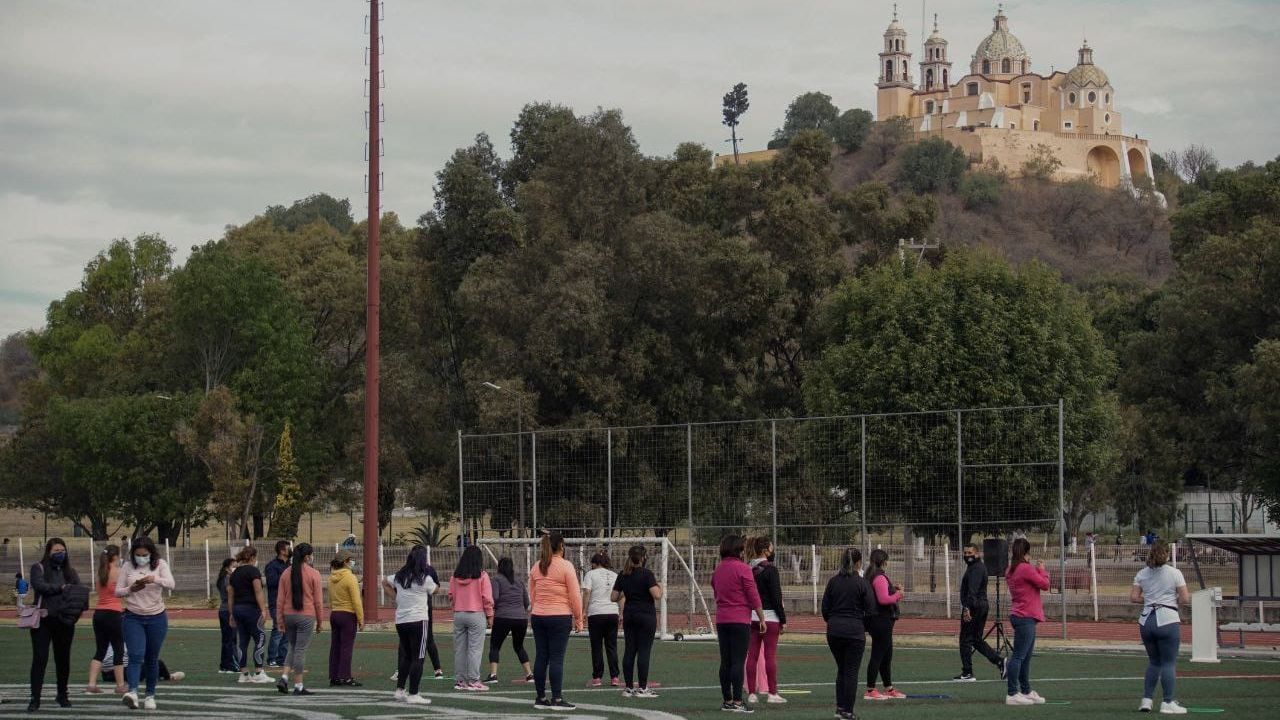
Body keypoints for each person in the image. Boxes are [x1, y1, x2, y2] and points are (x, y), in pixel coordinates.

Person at [115, 536, 176, 711]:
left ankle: (150, 695)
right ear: (133, 554)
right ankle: (132, 692)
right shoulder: (127, 566)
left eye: (145, 554)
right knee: (135, 654)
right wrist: (131, 589)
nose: (141, 557)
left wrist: (154, 579)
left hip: (156, 617)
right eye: (138, 554)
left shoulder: (160, 564)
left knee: (152, 658)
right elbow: (118, 591)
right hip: (133, 616)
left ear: (151, 553)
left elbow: (171, 584)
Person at [1131, 540, 1190, 714]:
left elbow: (1134, 597)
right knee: (1168, 662)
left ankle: (1146, 700)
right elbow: (1185, 598)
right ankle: (1167, 702)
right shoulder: (1175, 573)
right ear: (1167, 554)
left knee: (1153, 661)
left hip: (1146, 620)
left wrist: (1151, 600)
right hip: (1168, 619)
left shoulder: (1142, 573)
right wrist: (1168, 600)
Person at [528, 532, 583, 711]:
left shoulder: (537, 566)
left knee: (541, 656)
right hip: (559, 616)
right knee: (557, 659)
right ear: (561, 546)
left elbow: (532, 594)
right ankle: (557, 699)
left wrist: (537, 610)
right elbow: (575, 595)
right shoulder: (566, 566)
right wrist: (579, 618)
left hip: (538, 616)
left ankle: (540, 697)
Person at [710, 534, 765, 714]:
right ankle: (738, 701)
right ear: (739, 550)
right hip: (740, 619)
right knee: (738, 661)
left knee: (725, 661)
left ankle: (727, 700)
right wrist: (761, 617)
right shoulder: (743, 569)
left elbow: (715, 588)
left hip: (722, 619)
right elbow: (753, 594)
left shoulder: (718, 569)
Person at [28, 537, 84, 711]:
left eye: (62, 551)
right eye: (56, 551)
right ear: (48, 552)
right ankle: (35, 697)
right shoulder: (38, 568)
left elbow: (78, 592)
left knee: (63, 659)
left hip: (64, 621)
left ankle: (62, 694)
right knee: (40, 658)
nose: (60, 554)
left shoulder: (71, 572)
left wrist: (74, 613)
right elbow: (39, 586)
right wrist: (59, 588)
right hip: (43, 620)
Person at [823, 548, 876, 720]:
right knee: (851, 672)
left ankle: (840, 707)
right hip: (854, 631)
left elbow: (825, 609)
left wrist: (833, 622)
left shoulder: (832, 582)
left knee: (842, 670)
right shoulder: (862, 584)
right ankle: (848, 710)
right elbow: (870, 610)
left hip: (834, 631)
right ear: (859, 563)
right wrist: (863, 626)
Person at [382, 545, 437, 705]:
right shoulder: (424, 578)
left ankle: (399, 690)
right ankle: (413, 693)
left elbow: (384, 581)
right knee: (418, 657)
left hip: (401, 620)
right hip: (419, 620)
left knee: (406, 655)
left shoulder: (400, 576)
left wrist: (397, 598)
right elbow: (434, 590)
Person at [611, 544, 662, 698]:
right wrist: (661, 587)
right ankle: (643, 688)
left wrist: (626, 591)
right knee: (644, 651)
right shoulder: (647, 574)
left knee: (629, 650)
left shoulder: (623, 574)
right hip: (646, 616)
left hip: (629, 615)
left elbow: (613, 597)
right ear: (643, 558)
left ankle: (628, 687)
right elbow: (657, 595)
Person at [1004, 537, 1050, 706]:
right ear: (1026, 553)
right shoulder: (1025, 569)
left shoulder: (1010, 569)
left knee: (1025, 657)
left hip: (1020, 615)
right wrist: (1042, 570)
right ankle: (1012, 693)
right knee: (1018, 657)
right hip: (1026, 617)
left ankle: (1025, 690)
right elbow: (1044, 584)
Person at [276, 542, 324, 697]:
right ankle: (298, 684)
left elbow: (280, 599)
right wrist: (320, 620)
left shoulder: (285, 573)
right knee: (300, 650)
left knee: (293, 646)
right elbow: (318, 600)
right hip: (306, 615)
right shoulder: (313, 573)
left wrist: (279, 619)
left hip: (288, 614)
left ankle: (284, 676)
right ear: (307, 556)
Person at [953, 543, 1005, 682]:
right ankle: (1000, 662)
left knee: (965, 639)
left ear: (977, 554)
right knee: (975, 640)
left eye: (970, 553)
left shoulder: (976, 568)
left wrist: (967, 608)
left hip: (975, 606)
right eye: (965, 553)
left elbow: (973, 590)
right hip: (980, 605)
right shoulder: (975, 567)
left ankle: (967, 672)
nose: (967, 555)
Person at [745, 536, 787, 705]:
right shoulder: (771, 570)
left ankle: (751, 693)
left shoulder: (747, 568)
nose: (772, 551)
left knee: (752, 656)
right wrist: (783, 619)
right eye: (771, 548)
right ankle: (772, 693)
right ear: (765, 551)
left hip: (752, 617)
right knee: (769, 656)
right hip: (770, 618)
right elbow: (777, 598)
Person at [449, 545, 494, 691]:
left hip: (459, 613)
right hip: (476, 614)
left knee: (459, 649)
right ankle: (474, 680)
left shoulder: (455, 576)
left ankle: (460, 680)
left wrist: (455, 609)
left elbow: (451, 595)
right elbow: (486, 598)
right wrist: (490, 615)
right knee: (475, 650)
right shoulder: (482, 575)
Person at [227, 546, 273, 685]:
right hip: (251, 610)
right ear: (253, 557)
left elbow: (230, 595)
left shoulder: (234, 573)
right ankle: (259, 672)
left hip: (237, 609)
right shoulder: (253, 571)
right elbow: (258, 591)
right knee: (259, 639)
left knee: (243, 642)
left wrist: (231, 614)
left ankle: (244, 673)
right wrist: (264, 609)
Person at [863, 549, 904, 701]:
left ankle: (888, 688)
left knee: (886, 655)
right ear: (884, 561)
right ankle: (870, 689)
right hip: (881, 620)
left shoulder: (870, 575)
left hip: (879, 620)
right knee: (878, 655)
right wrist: (898, 595)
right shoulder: (879, 576)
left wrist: (893, 589)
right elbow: (883, 599)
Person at [86, 545, 127, 695]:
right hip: (113, 613)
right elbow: (125, 591)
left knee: (100, 650)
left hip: (99, 613)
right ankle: (120, 685)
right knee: (118, 648)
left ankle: (91, 684)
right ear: (116, 556)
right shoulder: (118, 572)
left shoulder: (101, 572)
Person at [487, 556, 533, 684]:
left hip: (503, 616)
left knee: (495, 645)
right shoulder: (519, 581)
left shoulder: (496, 579)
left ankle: (493, 675)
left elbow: (494, 598)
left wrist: (494, 609)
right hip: (520, 618)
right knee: (519, 646)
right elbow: (526, 602)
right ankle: (529, 674)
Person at [582, 551, 621, 687]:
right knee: (611, 646)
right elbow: (621, 595)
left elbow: (587, 592)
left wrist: (583, 611)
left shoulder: (590, 574)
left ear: (594, 563)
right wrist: (621, 613)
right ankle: (615, 677)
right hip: (612, 613)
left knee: (596, 646)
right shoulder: (615, 575)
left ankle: (597, 677)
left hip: (596, 613)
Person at [327, 550, 364, 686]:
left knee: (335, 646)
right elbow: (356, 600)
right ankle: (346, 676)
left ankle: (334, 676)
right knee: (346, 647)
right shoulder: (350, 577)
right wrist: (361, 618)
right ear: (345, 562)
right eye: (351, 560)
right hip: (348, 614)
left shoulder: (331, 577)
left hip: (335, 613)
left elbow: (330, 598)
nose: (352, 562)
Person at [264, 540, 292, 669]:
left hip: (289, 602)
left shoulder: (290, 565)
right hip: (276, 602)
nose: (290, 550)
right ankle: (271, 658)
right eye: (288, 548)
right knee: (278, 630)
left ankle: (282, 658)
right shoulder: (272, 566)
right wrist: (286, 577)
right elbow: (272, 582)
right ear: (282, 551)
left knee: (287, 632)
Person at [100, 647, 183, 684]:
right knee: (157, 663)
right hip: (121, 673)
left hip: (105, 675)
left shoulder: (113, 636)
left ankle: (153, 676)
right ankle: (169, 677)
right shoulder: (131, 637)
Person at [215, 558, 239, 673]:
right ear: (227, 568)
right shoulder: (228, 580)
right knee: (231, 640)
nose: (236, 568)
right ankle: (232, 665)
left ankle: (224, 665)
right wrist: (232, 614)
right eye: (233, 566)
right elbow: (230, 598)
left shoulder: (223, 579)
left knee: (226, 640)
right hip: (228, 611)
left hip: (223, 610)